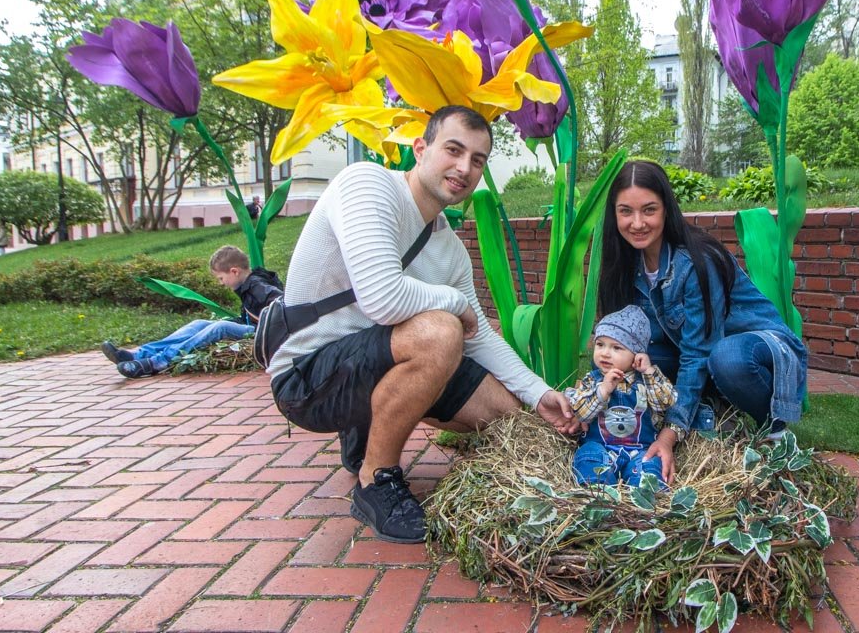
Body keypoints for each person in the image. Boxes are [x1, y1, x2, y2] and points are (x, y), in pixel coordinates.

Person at [268, 106, 575, 545]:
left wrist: (540, 394)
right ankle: (377, 482)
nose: (463, 167)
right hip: (307, 376)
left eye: (477, 160)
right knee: (441, 332)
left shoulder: (448, 248)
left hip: (374, 357)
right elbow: (383, 297)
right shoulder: (367, 184)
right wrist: (455, 306)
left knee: (505, 414)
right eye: (453, 150)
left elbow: (480, 337)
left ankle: (366, 427)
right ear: (421, 148)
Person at [598, 160, 808, 485]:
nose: (637, 223)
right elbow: (624, 343)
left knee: (726, 358)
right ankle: (714, 409)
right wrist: (594, 402)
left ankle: (773, 430)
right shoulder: (625, 264)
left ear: (666, 209)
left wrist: (669, 435)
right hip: (701, 352)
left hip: (757, 349)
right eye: (626, 211)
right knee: (637, 358)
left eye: (649, 210)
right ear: (614, 214)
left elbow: (698, 353)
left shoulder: (695, 262)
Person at [103, 245, 283, 379]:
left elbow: (283, 302)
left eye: (221, 278)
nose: (221, 283)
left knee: (220, 327)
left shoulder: (258, 286)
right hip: (250, 325)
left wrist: (268, 322)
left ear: (234, 271)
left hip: (263, 332)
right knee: (199, 324)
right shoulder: (247, 284)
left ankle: (157, 362)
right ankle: (139, 354)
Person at [565, 305, 677, 488]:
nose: (605, 353)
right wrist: (603, 390)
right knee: (588, 459)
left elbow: (665, 403)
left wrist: (649, 372)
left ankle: (644, 494)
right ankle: (597, 492)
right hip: (601, 448)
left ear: (637, 354)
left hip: (641, 450)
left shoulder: (647, 381)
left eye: (617, 347)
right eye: (600, 344)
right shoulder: (592, 381)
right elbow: (581, 413)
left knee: (649, 469)